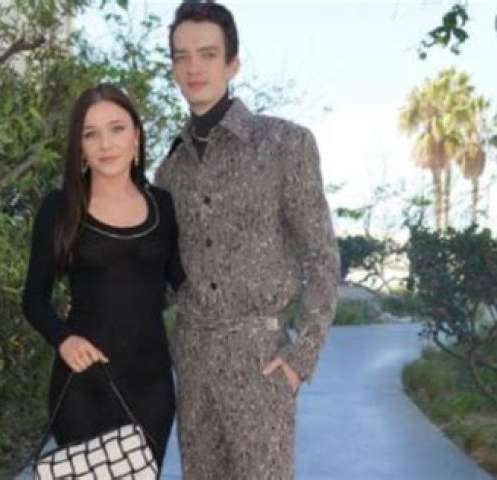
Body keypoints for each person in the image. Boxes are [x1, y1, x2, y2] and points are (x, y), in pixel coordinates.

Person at [155, 2, 340, 479]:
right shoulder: (169, 171)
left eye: (207, 54)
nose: (193, 68)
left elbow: (322, 257)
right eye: (181, 57)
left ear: (232, 64)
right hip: (193, 365)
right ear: (173, 68)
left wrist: (301, 356)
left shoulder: (284, 144)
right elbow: (168, 277)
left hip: (262, 364)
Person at [21, 83, 185, 468]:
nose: (105, 144)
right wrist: (63, 338)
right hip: (83, 384)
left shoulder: (163, 206)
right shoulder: (60, 208)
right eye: (90, 134)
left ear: (136, 136)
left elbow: (183, 281)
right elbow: (33, 299)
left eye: (117, 128)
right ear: (79, 147)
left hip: (151, 387)